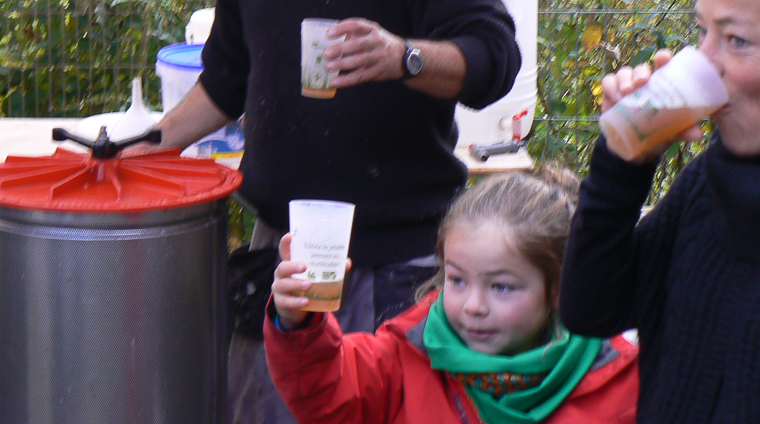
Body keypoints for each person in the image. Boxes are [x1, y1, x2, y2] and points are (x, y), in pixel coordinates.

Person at [142, 0, 520, 422]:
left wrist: (403, 56)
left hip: (401, 257)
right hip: (286, 252)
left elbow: (493, 59)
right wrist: (146, 145)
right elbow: (226, 79)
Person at [559, 0, 760, 422]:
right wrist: (624, 162)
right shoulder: (710, 185)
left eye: (735, 39)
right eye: (702, 31)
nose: (703, 61)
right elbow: (591, 308)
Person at [264, 168, 640, 424]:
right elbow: (328, 395)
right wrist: (300, 321)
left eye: (501, 287)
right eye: (457, 280)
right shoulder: (410, 351)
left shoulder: (619, 381)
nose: (473, 307)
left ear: (558, 290)